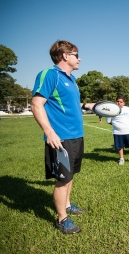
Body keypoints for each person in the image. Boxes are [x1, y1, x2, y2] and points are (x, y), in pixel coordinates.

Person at [31, 40, 85, 234]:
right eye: (76, 54)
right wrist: (49, 132)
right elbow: (37, 104)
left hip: (77, 136)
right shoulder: (49, 74)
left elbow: (72, 105)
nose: (80, 58)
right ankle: (62, 219)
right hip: (61, 138)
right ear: (64, 56)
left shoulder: (72, 79)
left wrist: (92, 106)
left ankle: (68, 205)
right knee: (62, 179)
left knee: (70, 176)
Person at [107, 95, 129, 165]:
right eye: (117, 101)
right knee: (119, 146)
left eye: (121, 102)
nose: (119, 103)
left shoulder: (127, 109)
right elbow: (109, 121)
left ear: (124, 103)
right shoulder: (111, 110)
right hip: (117, 132)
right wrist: (118, 125)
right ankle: (121, 159)